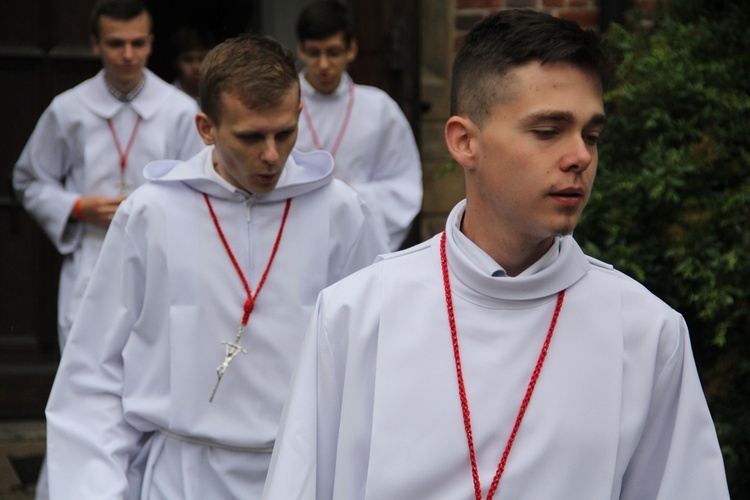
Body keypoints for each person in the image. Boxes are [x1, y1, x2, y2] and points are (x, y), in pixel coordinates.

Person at [262, 9, 730, 500]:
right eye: (548, 131)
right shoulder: (356, 314)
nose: (581, 157)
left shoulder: (646, 331)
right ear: (465, 142)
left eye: (592, 135)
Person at [44, 33, 388, 499]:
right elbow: (94, 370)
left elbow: (375, 354)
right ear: (206, 128)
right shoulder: (152, 214)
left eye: (285, 133)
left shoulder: (341, 211)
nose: (271, 155)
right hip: (184, 477)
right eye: (250, 137)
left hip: (302, 472)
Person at [13, 0, 203, 352]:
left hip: (159, 257)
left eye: (138, 43)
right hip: (91, 257)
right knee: (85, 364)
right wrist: (77, 207)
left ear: (151, 43)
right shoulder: (69, 108)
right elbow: (28, 180)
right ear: (95, 44)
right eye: (116, 43)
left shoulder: (180, 110)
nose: (128, 54)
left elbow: (199, 187)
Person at [295, 0, 422, 251]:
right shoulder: (280, 106)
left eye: (333, 52)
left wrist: (347, 195)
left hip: (358, 240)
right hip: (297, 239)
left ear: (351, 50)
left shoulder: (379, 108)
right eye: (313, 52)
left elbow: (403, 187)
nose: (323, 65)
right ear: (300, 50)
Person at [170, 24, 216, 103]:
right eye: (188, 60)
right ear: (175, 63)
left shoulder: (219, 100)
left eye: (202, 59)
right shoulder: (165, 100)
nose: (196, 67)